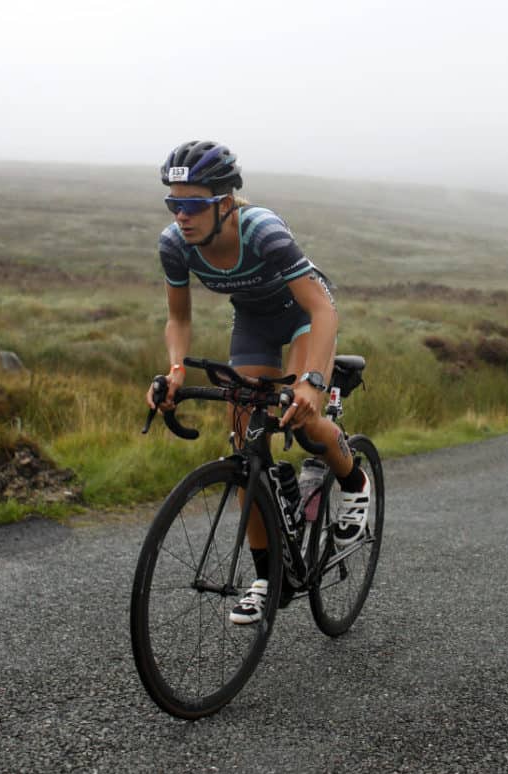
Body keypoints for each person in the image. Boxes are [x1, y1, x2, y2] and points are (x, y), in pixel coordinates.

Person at [144, 140, 371, 625]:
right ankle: (268, 578)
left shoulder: (263, 231)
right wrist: (176, 371)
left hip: (304, 316)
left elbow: (321, 307)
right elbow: (178, 319)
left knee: (306, 421)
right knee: (244, 443)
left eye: (192, 204)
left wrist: (311, 381)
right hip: (253, 321)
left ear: (224, 202)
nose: (181, 216)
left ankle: (354, 481)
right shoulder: (173, 245)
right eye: (173, 203)